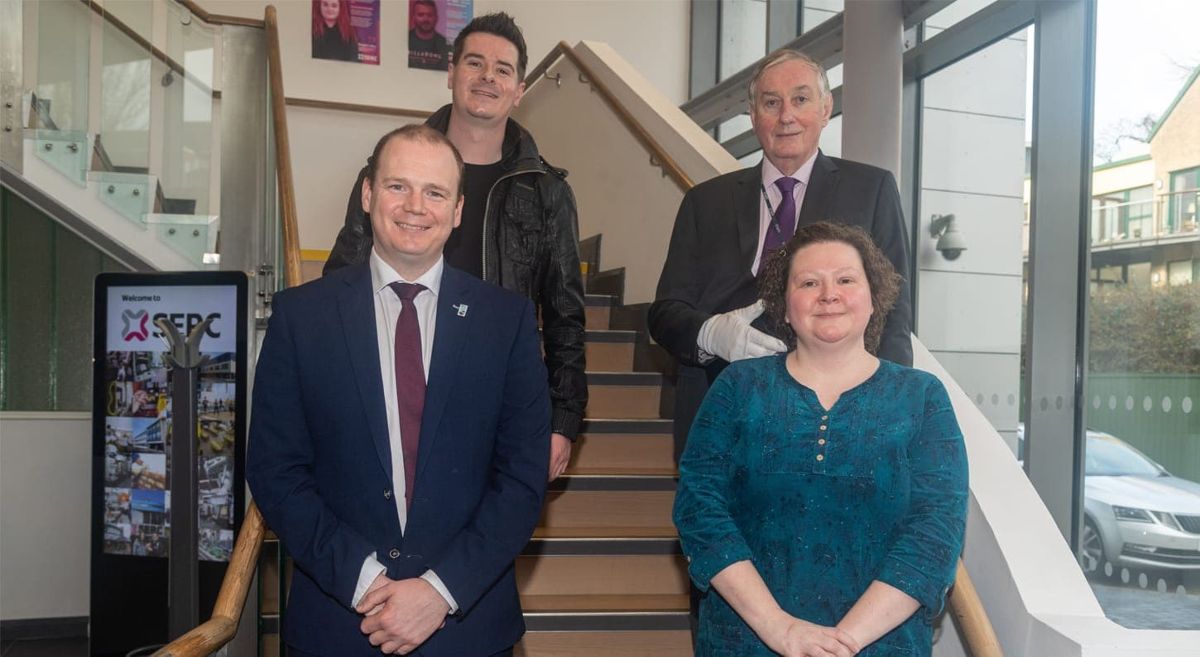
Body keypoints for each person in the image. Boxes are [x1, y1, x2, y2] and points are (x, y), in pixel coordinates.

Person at [247, 125, 551, 656]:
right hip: (340, 624)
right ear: (368, 194)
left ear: (457, 210)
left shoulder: (507, 322)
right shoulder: (301, 317)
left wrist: (438, 592)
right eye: (397, 187)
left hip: (468, 628)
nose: (416, 206)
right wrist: (366, 583)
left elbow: (522, 478)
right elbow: (276, 470)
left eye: (435, 192)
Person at [673, 222, 968, 657]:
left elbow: (935, 533)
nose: (828, 294)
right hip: (748, 642)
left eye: (846, 280)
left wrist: (842, 644)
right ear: (785, 308)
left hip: (880, 646)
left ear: (873, 300)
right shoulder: (738, 386)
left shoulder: (923, 397)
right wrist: (783, 631)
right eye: (809, 282)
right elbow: (700, 510)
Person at [325, 12, 585, 482]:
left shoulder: (548, 192)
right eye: (475, 63)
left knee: (487, 546)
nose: (488, 77)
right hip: (395, 390)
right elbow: (341, 278)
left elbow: (566, 316)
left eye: (503, 69)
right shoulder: (388, 169)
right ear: (451, 74)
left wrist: (563, 421)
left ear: (519, 89)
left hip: (497, 402)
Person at [648, 49, 914, 461]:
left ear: (826, 110)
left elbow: (894, 312)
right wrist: (712, 334)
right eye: (771, 103)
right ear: (753, 116)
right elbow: (665, 313)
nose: (786, 115)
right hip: (723, 421)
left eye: (801, 99)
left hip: (835, 421)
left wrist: (890, 413)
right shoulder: (705, 202)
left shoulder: (871, 191)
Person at [409, 0, 449, 70]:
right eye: (421, 15)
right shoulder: (406, 39)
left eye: (430, 15)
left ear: (436, 18)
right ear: (414, 17)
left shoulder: (446, 45)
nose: (425, 19)